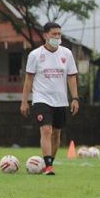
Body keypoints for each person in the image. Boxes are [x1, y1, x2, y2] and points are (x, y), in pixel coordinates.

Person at [20, 22, 79, 175]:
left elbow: (72, 77)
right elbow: (29, 80)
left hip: (60, 100)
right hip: (41, 99)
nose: (57, 37)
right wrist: (24, 101)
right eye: (54, 34)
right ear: (46, 35)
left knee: (56, 134)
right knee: (46, 130)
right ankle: (48, 166)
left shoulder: (67, 54)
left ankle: (49, 163)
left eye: (59, 34)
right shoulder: (35, 55)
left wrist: (75, 98)